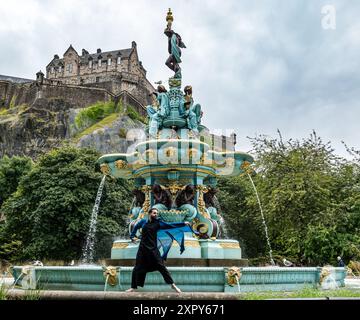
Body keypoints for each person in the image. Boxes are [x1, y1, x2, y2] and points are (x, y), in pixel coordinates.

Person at [126, 207, 193, 293]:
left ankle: (173, 285)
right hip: (142, 249)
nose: (156, 215)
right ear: (149, 213)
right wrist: (132, 237)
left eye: (156, 213)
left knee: (161, 266)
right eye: (154, 213)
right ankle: (133, 287)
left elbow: (170, 225)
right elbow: (135, 227)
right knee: (136, 268)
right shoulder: (143, 222)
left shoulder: (158, 223)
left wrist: (183, 223)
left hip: (153, 249)